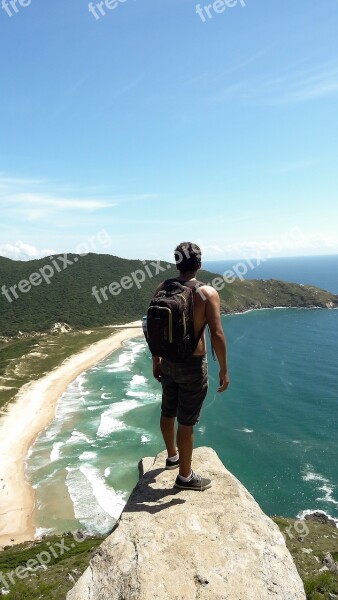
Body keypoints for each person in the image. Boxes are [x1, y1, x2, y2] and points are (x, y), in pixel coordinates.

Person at [152, 242, 229, 491]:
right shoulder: (206, 293)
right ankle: (185, 477)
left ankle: (172, 456)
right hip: (193, 365)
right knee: (187, 420)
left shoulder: (163, 288)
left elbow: (152, 328)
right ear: (199, 264)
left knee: (168, 410)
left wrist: (156, 359)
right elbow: (216, 333)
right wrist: (224, 369)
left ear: (177, 263)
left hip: (168, 361)